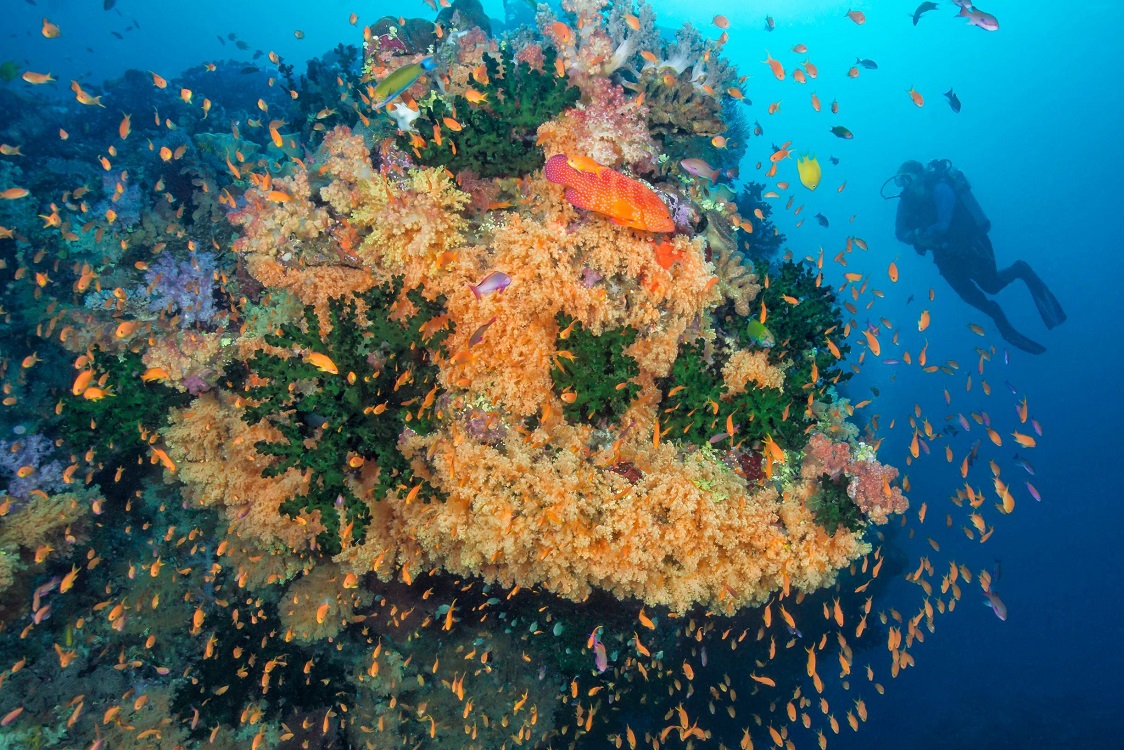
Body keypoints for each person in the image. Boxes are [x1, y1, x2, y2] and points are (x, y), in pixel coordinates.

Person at [887, 159, 1065, 354]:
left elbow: (943, 224)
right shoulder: (906, 201)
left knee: (992, 286)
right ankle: (1001, 322)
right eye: (899, 181)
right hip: (945, 256)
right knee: (968, 295)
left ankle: (1021, 269)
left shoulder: (940, 188)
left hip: (971, 244)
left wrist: (922, 235)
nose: (903, 185)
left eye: (906, 179)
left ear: (920, 175)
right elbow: (899, 231)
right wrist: (914, 235)